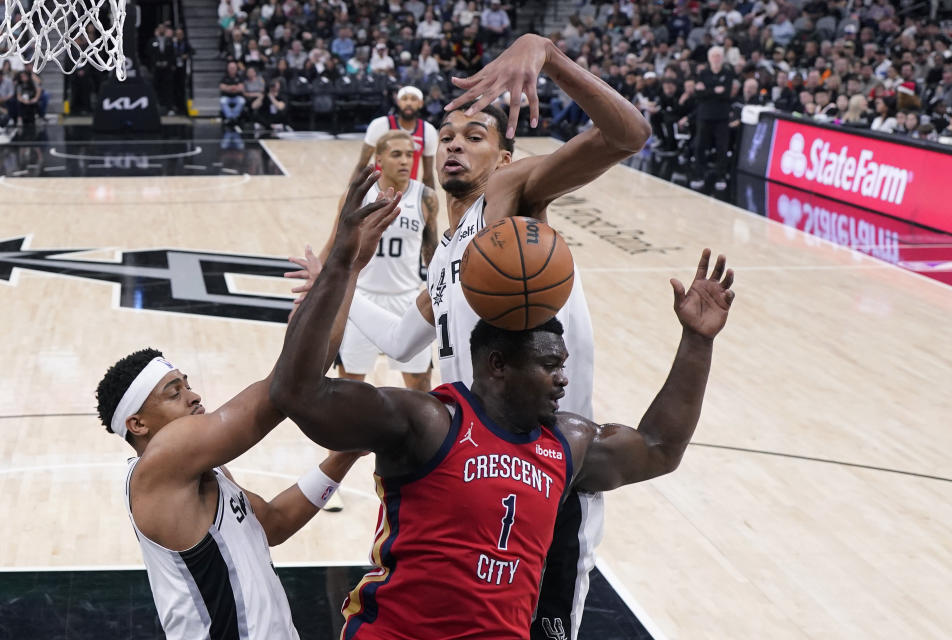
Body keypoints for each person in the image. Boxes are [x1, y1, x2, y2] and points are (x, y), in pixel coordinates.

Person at [270, 166, 735, 638]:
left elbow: (658, 448)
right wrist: (343, 266)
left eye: (562, 364)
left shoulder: (567, 444)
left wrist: (698, 342)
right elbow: (298, 392)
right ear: (497, 365)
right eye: (549, 366)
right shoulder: (428, 422)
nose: (562, 379)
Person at [317, 33, 650, 640]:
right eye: (446, 137)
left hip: (548, 468)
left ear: (505, 156)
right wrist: (339, 277)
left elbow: (628, 135)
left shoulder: (509, 198)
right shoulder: (447, 253)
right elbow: (400, 341)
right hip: (471, 473)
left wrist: (545, 54)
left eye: (475, 137)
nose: (454, 147)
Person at [92, 177, 405, 639]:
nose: (195, 396)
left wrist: (344, 455)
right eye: (174, 392)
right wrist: (340, 265)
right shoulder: (161, 462)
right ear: (137, 423)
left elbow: (274, 524)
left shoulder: (205, 473)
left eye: (188, 385)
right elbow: (285, 389)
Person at [318, 130, 440, 392]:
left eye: (410, 154)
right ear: (380, 160)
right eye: (397, 154)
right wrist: (316, 280)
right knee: (350, 381)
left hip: (408, 299)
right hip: (361, 298)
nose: (405, 161)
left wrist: (439, 294)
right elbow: (333, 244)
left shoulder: (426, 197)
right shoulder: (357, 196)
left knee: (420, 383)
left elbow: (431, 252)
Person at [354, 85, 438, 189]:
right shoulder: (379, 125)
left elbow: (428, 175)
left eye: (413, 99)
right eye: (404, 99)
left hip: (407, 192)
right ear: (398, 102)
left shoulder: (428, 131)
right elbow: (362, 166)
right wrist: (350, 197)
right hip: (378, 190)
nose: (408, 103)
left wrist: (431, 201)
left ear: (420, 103)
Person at [690, 46, 735, 190]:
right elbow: (698, 94)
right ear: (709, 58)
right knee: (700, 146)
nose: (716, 58)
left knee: (722, 147)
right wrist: (715, 90)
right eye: (713, 56)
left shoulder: (728, 73)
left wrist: (707, 91)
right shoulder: (703, 73)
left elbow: (726, 94)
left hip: (722, 116)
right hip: (704, 115)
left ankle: (720, 176)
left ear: (722, 58)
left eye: (718, 56)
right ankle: (699, 175)